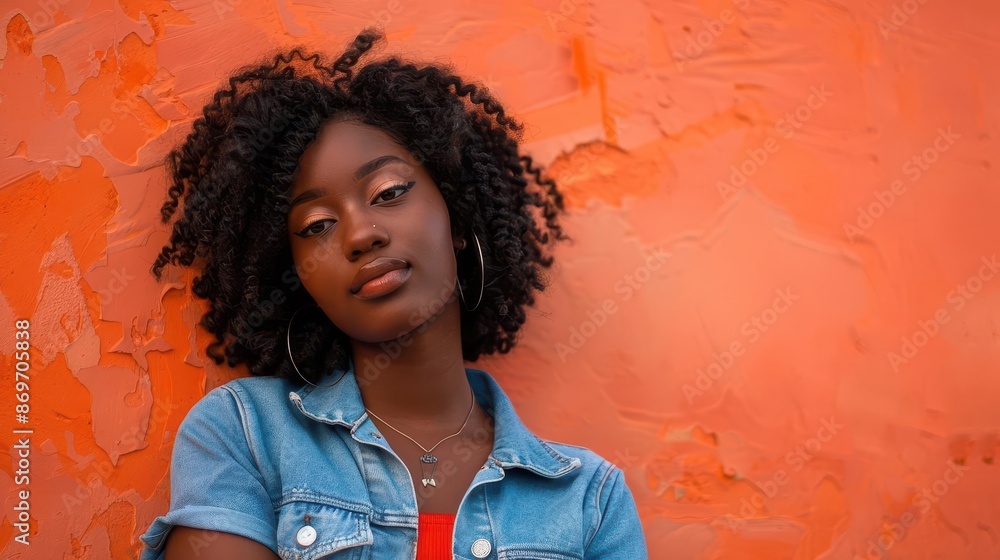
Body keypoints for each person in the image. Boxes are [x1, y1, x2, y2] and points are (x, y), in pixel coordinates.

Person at [139, 27, 647, 560]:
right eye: (315, 226)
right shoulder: (246, 437)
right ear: (296, 277)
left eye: (388, 192)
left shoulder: (588, 501)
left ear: (455, 214)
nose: (360, 235)